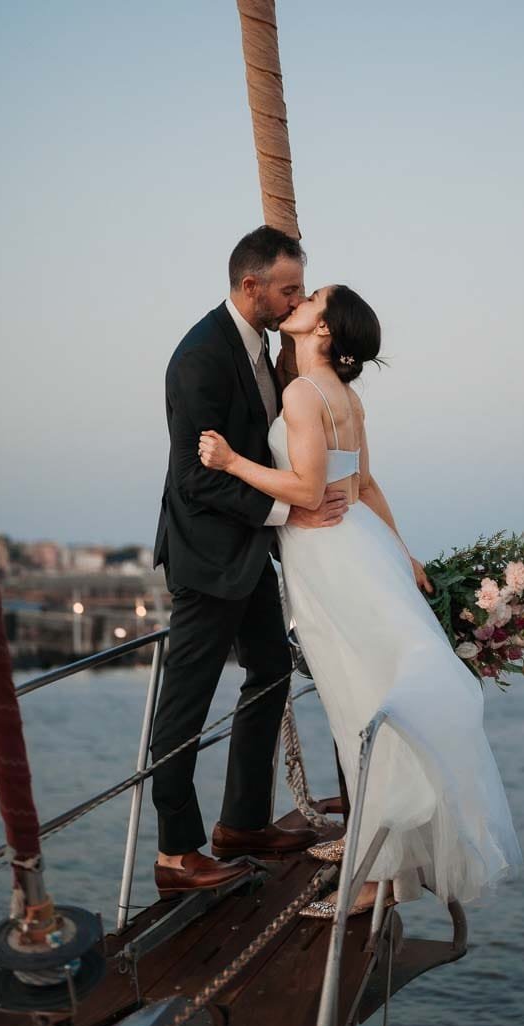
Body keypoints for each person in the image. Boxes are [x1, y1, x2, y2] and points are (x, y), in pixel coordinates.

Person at [198, 284, 524, 915]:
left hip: (330, 558)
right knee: (369, 699)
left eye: (312, 297)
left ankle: (373, 875)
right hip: (363, 545)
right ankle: (380, 856)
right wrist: (402, 554)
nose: (301, 299)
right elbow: (365, 482)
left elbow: (309, 487)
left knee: (356, 704)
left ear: (325, 330)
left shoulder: (301, 392)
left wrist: (233, 461)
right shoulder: (345, 396)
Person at [150, 228, 350, 899]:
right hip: (207, 557)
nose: (295, 297)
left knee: (269, 670)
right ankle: (178, 853)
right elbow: (191, 480)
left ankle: (240, 825)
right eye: (289, 288)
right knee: (184, 708)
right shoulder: (200, 358)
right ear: (250, 287)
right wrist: (285, 513)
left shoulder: (264, 351)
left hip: (249, 554)